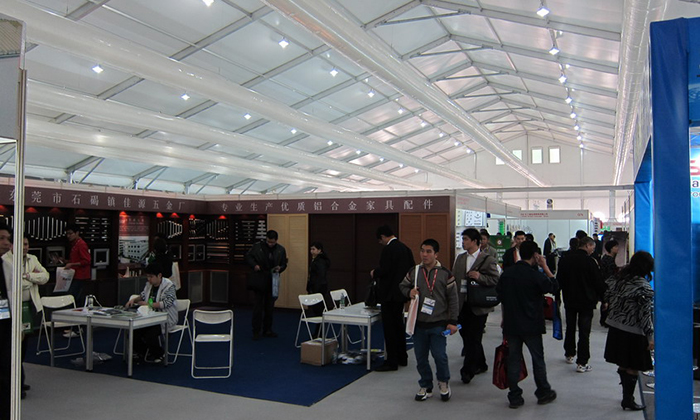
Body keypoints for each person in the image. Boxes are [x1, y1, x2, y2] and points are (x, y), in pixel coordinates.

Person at [496, 240, 558, 409]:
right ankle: (543, 391)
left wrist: (504, 317)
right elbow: (554, 287)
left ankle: (514, 395)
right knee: (537, 359)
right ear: (535, 255)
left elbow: (500, 296)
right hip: (532, 324)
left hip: (512, 324)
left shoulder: (507, 274)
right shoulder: (535, 275)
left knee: (513, 359)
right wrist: (545, 267)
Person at [399, 239, 459, 402]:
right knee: (420, 358)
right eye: (422, 251)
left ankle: (443, 382)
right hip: (419, 324)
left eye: (428, 251)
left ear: (436, 254)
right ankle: (426, 385)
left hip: (439, 323)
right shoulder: (414, 271)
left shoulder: (445, 274)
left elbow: (453, 299)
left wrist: (453, 321)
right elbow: (402, 286)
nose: (424, 255)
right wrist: (409, 292)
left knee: (440, 356)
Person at [603, 251, 654, 411]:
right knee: (633, 365)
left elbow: (606, 292)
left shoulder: (619, 279)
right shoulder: (643, 287)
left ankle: (626, 397)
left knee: (623, 362)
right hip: (633, 330)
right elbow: (645, 315)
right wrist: (650, 337)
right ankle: (628, 399)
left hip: (615, 326)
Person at [453, 228, 500, 384]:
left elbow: (495, 280)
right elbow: (455, 280)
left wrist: (480, 277)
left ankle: (468, 370)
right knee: (465, 334)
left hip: (479, 304)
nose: (463, 242)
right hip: (462, 303)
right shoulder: (460, 258)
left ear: (474, 241)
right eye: (462, 239)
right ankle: (481, 363)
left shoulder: (487, 259)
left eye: (466, 239)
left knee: (474, 336)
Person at [557, 236, 606, 372]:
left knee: (570, 327)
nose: (593, 251)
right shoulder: (590, 262)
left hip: (569, 299)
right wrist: (604, 299)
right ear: (587, 246)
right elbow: (598, 282)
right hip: (586, 301)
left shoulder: (565, 260)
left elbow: (559, 280)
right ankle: (582, 362)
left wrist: (557, 296)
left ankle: (569, 354)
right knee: (584, 332)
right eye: (592, 248)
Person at [371, 225, 415, 371]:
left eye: (380, 240)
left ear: (383, 236)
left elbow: (385, 270)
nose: (381, 243)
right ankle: (402, 357)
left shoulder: (388, 249)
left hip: (389, 295)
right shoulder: (405, 248)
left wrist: (374, 272)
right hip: (401, 293)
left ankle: (392, 361)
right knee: (399, 326)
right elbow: (411, 270)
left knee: (390, 328)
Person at [125, 262, 177, 363]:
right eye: (147, 276)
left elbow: (166, 303)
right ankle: (145, 351)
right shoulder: (149, 285)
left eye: (151, 276)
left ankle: (159, 353)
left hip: (164, 319)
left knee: (150, 334)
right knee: (134, 332)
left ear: (159, 275)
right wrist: (134, 300)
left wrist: (148, 304)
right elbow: (143, 296)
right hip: (149, 318)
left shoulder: (169, 286)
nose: (149, 279)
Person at [245, 230, 287, 340]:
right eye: (268, 241)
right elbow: (248, 257)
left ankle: (267, 329)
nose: (270, 244)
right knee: (257, 307)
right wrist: (254, 265)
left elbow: (284, 263)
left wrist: (280, 268)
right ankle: (256, 331)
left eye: (272, 242)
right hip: (259, 278)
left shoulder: (281, 249)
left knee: (270, 307)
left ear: (276, 240)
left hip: (272, 279)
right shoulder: (257, 247)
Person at [20, 234, 48, 397]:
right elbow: (15, 283)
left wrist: (28, 276)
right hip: (14, 307)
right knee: (14, 345)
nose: (25, 247)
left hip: (29, 307)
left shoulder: (33, 259)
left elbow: (45, 277)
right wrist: (30, 280)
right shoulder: (7, 260)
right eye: (22, 244)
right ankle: (16, 382)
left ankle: (19, 379)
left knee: (24, 346)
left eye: (26, 244)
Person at [0, 222, 13, 419]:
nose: (6, 243)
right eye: (1, 238)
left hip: (5, 325)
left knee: (5, 373)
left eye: (8, 239)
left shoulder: (7, 266)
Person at [307, 241, 330, 326]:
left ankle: (319, 330)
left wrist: (314, 289)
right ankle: (319, 329)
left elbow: (320, 276)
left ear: (319, 250)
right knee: (318, 310)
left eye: (313, 249)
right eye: (311, 249)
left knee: (318, 310)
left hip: (318, 287)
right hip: (318, 286)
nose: (311, 251)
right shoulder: (317, 260)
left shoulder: (320, 261)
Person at [599, 240, 620, 326]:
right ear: (611, 249)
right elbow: (609, 274)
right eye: (615, 247)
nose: (617, 248)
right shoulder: (609, 260)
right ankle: (606, 320)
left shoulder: (605, 258)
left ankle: (604, 320)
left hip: (605, 283)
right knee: (608, 302)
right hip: (608, 284)